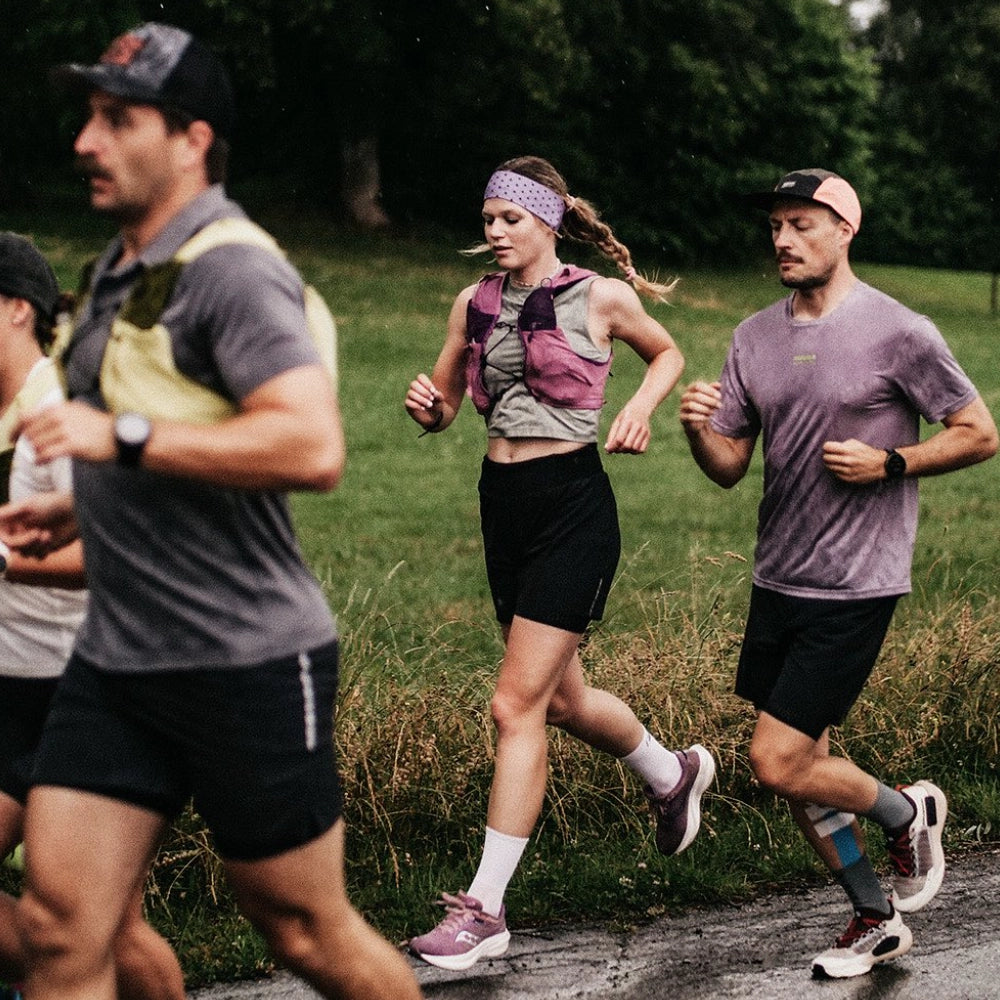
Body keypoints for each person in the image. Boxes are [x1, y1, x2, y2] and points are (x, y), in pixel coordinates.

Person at [0, 24, 422, 1000]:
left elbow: (310, 446)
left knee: (301, 929)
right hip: (118, 659)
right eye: (88, 117)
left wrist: (119, 440)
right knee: (62, 928)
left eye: (118, 119)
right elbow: (171, 431)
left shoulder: (233, 269)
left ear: (191, 138)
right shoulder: (119, 269)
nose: (85, 141)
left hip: (243, 657)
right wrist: (83, 511)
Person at [678, 168, 998, 979]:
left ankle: (906, 811)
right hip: (779, 576)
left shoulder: (901, 332)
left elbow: (978, 431)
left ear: (845, 230)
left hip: (857, 582)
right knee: (805, 770)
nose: (783, 240)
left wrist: (892, 461)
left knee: (776, 759)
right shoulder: (753, 336)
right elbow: (728, 466)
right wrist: (696, 430)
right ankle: (875, 917)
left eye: (802, 224)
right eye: (776, 226)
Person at [404, 155, 715, 971]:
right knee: (566, 702)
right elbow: (444, 406)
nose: (495, 232)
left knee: (516, 706)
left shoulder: (598, 296)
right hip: (502, 506)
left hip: (573, 507)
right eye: (488, 219)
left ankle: (485, 909)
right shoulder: (472, 303)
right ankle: (671, 773)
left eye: (509, 218)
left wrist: (639, 409)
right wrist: (429, 409)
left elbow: (668, 353)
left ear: (546, 219)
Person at [0, 233, 186, 1000]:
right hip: (11, 686)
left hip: (80, 692)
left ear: (17, 309)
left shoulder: (61, 409)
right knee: (85, 931)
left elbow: (115, 555)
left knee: (111, 927)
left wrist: (4, 560)